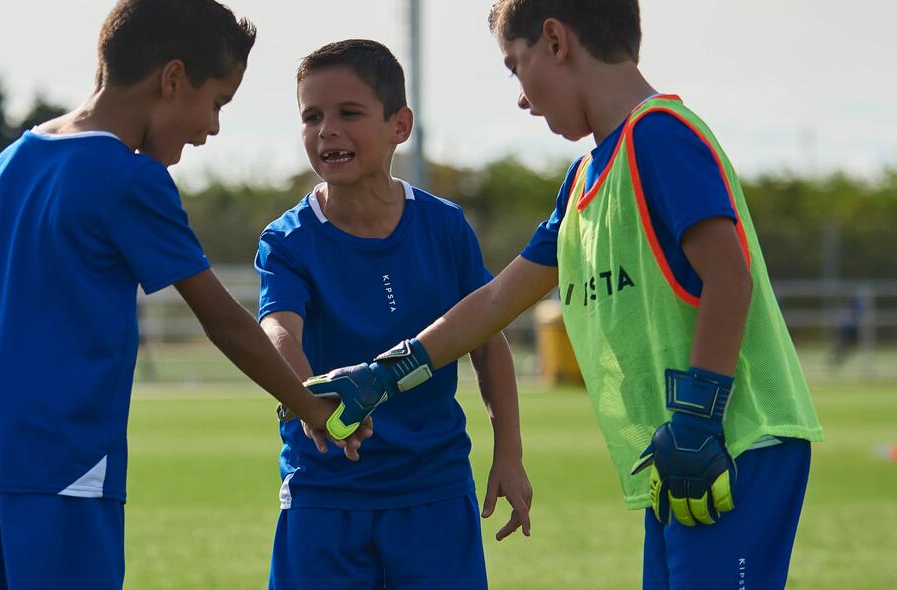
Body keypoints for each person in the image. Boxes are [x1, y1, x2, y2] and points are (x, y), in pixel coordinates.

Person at [303, 1, 825, 586]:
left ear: (555, 41)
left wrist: (698, 420)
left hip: (732, 441)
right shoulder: (584, 180)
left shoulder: (659, 134)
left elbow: (730, 277)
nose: (521, 98)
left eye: (514, 65)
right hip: (681, 449)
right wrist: (384, 372)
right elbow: (497, 301)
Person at [0, 1, 370, 587]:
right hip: (60, 461)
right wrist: (309, 407)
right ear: (172, 79)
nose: (214, 127)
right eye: (217, 102)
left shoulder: (13, 159)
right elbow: (221, 319)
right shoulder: (129, 177)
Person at [256, 39, 530, 589]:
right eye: (312, 117)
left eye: (348, 113)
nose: (327, 130)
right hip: (327, 487)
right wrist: (308, 398)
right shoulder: (287, 241)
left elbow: (487, 341)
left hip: (434, 486)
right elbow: (278, 328)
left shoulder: (444, 227)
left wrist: (510, 453)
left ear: (399, 126)